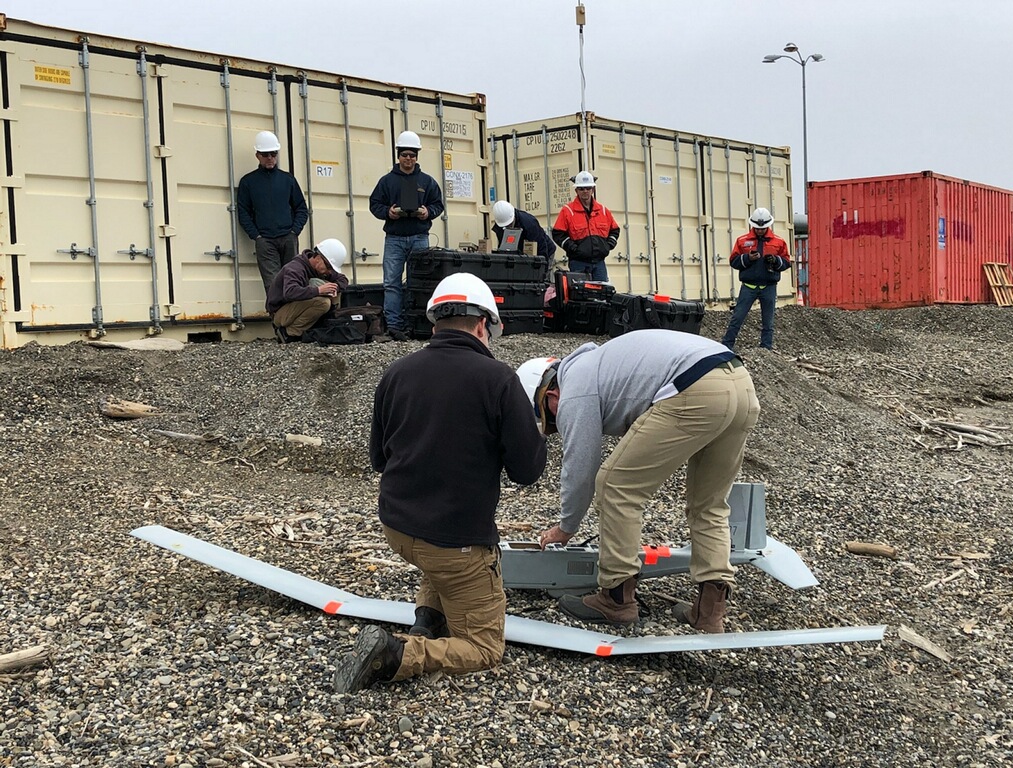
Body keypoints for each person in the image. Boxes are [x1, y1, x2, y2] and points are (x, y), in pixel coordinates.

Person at [333, 273, 547, 693]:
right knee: (485, 647)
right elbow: (528, 472)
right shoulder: (499, 380)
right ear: (484, 325)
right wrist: (532, 426)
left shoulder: (396, 373)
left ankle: (428, 619)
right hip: (454, 545)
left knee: (438, 550)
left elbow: (379, 458)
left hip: (398, 528)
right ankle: (396, 653)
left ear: (435, 323)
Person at [516, 329, 760, 633]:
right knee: (709, 504)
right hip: (740, 385)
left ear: (550, 394)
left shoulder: (574, 385)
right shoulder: (600, 365)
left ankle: (616, 599)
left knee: (616, 485)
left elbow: (581, 470)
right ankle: (709, 614)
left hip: (696, 385)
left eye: (548, 417)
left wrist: (565, 528)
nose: (556, 423)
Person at [368, 131, 445, 342]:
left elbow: (438, 204)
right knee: (391, 283)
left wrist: (428, 212)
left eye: (412, 155)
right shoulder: (387, 181)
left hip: (420, 237)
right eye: (405, 155)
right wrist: (388, 213)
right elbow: (374, 204)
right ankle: (393, 326)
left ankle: (415, 324)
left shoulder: (427, 182)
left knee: (417, 283)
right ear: (398, 155)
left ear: (417, 156)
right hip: (394, 238)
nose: (408, 159)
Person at [237, 130, 309, 293]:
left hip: (288, 238)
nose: (270, 157)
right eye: (265, 154)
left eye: (273, 153)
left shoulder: (287, 179)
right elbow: (243, 212)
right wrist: (257, 236)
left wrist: (294, 232)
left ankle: (293, 317)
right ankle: (277, 318)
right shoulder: (248, 182)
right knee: (273, 285)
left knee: (294, 282)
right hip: (265, 241)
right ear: (257, 155)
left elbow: (301, 208)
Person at [721, 208, 791, 351]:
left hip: (769, 286)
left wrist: (776, 261)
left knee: (768, 321)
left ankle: (766, 349)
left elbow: (786, 262)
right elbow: (733, 261)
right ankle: (726, 346)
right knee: (737, 318)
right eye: (757, 228)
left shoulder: (779, 241)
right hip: (748, 286)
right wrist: (747, 258)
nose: (760, 231)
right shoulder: (742, 241)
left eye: (763, 228)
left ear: (768, 225)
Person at [265, 238, 349, 343]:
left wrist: (335, 287)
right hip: (280, 313)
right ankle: (289, 333)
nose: (329, 271)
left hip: (295, 308)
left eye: (331, 268)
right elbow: (290, 292)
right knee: (322, 302)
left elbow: (343, 279)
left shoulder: (321, 268)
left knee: (329, 289)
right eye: (328, 267)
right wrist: (318, 290)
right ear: (318, 258)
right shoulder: (295, 268)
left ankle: (320, 328)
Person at [550, 171, 620, 282]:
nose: (585, 191)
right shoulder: (568, 211)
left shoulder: (602, 210)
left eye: (588, 188)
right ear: (576, 190)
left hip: (599, 263)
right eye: (581, 189)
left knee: (601, 296)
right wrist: (573, 248)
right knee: (580, 296)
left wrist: (608, 245)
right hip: (578, 263)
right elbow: (558, 234)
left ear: (593, 189)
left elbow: (615, 230)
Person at [491, 200, 557, 273]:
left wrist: (543, 270)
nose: (508, 226)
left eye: (509, 224)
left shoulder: (529, 223)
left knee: (540, 277)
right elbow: (503, 248)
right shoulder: (501, 225)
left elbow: (541, 246)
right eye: (505, 226)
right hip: (522, 255)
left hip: (545, 251)